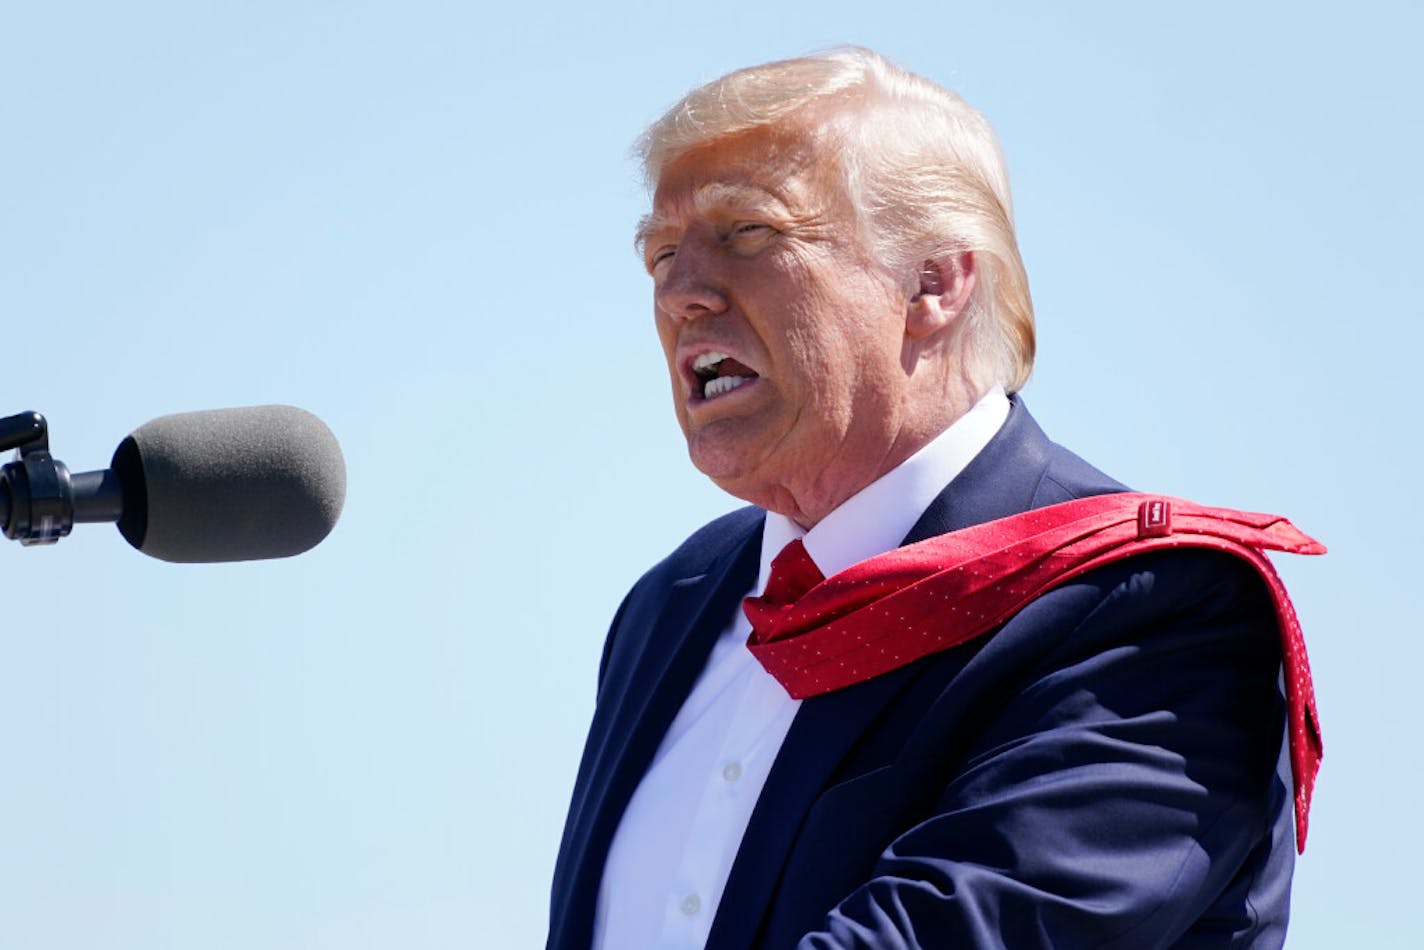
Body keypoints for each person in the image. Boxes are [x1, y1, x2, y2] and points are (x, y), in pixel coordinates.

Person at [548, 48, 1316, 949]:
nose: (680, 292)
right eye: (662, 253)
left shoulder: (1149, 607)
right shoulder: (673, 604)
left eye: (749, 232)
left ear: (936, 282)